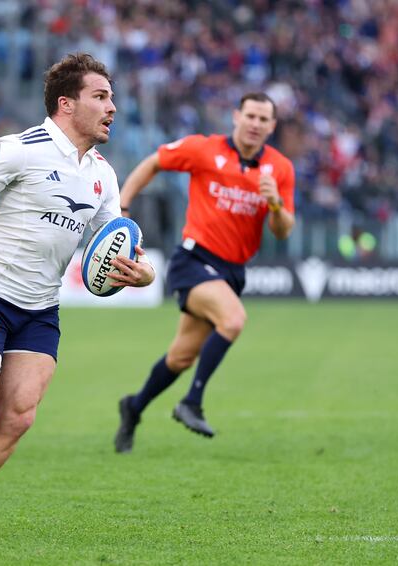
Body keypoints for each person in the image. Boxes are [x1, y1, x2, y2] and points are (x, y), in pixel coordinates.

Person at [0, 53, 155, 536]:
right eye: (100, 97)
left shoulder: (103, 173)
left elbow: (119, 244)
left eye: (112, 98)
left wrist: (142, 275)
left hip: (41, 308)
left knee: (17, 417)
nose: (112, 107)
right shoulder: (20, 149)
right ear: (66, 104)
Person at [114, 92, 295, 453]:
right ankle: (191, 402)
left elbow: (282, 230)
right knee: (233, 320)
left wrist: (274, 202)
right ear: (236, 116)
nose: (256, 124)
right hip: (193, 260)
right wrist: (122, 205)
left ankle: (133, 407)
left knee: (181, 357)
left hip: (231, 271)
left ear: (272, 126)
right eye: (251, 116)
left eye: (264, 119)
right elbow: (155, 162)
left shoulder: (280, 169)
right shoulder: (203, 149)